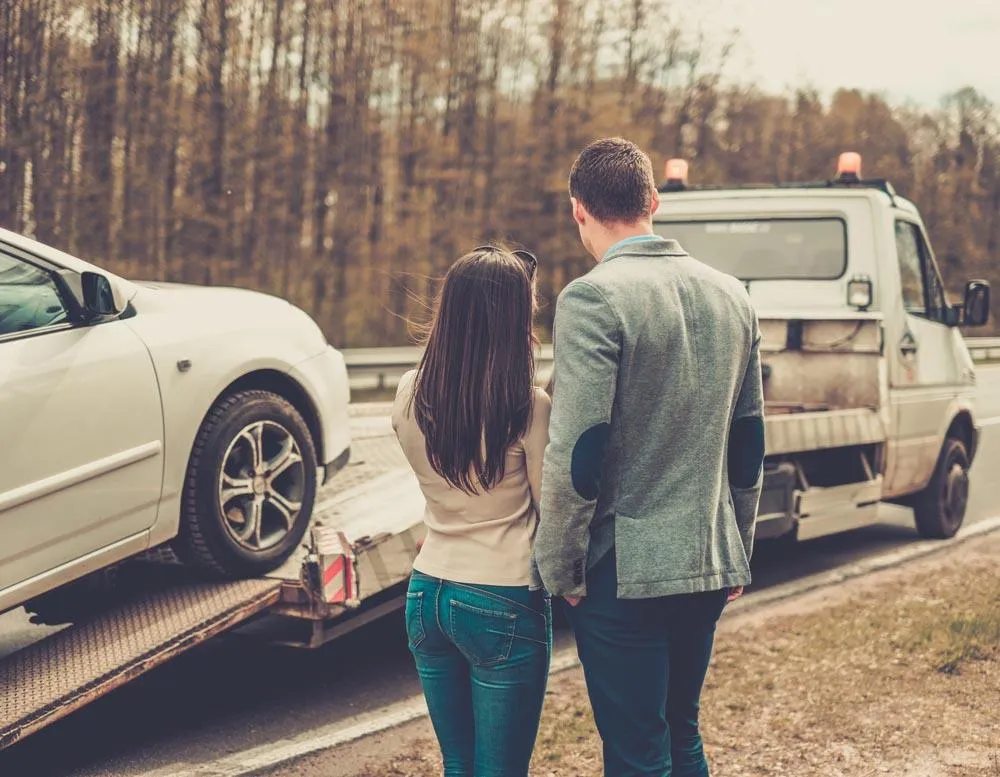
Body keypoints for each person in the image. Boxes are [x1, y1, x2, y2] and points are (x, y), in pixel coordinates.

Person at [534, 137, 764, 777]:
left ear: (578, 209)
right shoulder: (733, 296)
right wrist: (739, 542)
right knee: (680, 732)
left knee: (637, 750)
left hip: (622, 570)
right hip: (708, 558)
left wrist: (560, 567)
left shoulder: (592, 298)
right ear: (654, 201)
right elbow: (748, 438)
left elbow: (579, 449)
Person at [392, 244, 552, 777]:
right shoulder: (527, 406)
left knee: (459, 764)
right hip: (500, 595)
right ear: (512, 320)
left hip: (426, 591)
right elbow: (549, 506)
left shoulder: (409, 392)